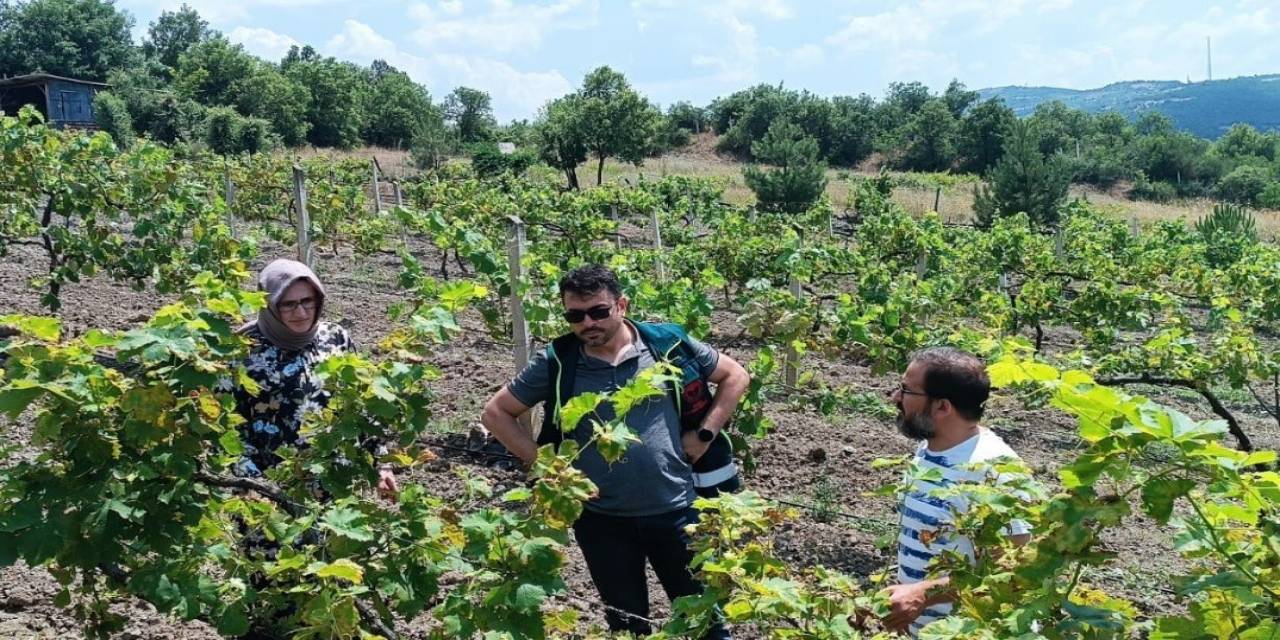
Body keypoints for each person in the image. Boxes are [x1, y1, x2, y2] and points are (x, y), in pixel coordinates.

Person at [481, 264, 749, 638]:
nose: (587, 323)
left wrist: (703, 435)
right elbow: (496, 413)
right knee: (626, 626)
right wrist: (550, 468)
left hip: (678, 510)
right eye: (575, 315)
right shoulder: (559, 361)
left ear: (621, 305)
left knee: (705, 622)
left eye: (598, 312)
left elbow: (735, 375)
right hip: (601, 520)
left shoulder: (666, 345)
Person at [885, 347, 1032, 636]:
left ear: (942, 407)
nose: (895, 398)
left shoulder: (994, 472)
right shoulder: (931, 448)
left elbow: (1011, 571)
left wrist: (924, 594)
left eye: (906, 390)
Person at [232, 258, 397, 495]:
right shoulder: (243, 351)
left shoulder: (336, 338)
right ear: (269, 305)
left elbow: (360, 405)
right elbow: (231, 432)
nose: (300, 312)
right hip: (271, 494)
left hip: (336, 484)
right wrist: (256, 488)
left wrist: (382, 462)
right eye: (287, 304)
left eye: (307, 301)